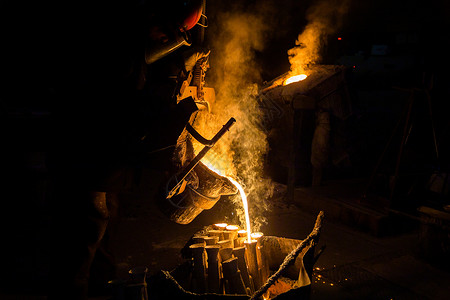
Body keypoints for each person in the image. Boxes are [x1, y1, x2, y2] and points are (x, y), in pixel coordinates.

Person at [43, 1, 206, 299]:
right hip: (84, 154)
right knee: (86, 226)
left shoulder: (133, 53)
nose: (164, 41)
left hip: (106, 158)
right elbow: (110, 108)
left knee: (107, 220)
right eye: (166, 33)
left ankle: (100, 287)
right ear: (152, 18)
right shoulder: (112, 50)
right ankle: (70, 291)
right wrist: (161, 113)